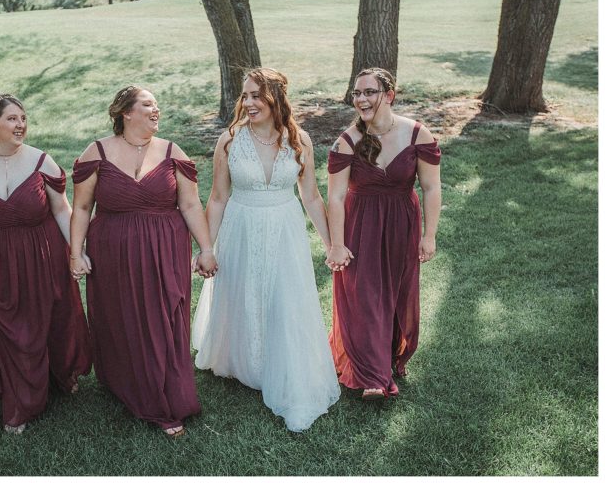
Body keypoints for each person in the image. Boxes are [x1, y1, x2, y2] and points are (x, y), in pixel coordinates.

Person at [192, 68, 340, 431]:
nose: (249, 103)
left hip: (285, 228)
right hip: (241, 225)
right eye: (246, 96)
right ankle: (245, 361)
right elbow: (218, 196)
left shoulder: (298, 139)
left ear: (276, 98)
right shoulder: (229, 140)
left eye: (257, 95)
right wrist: (207, 248)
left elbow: (310, 195)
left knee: (284, 296)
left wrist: (332, 243)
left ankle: (281, 362)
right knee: (243, 292)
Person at [70, 86, 217, 437]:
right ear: (126, 112)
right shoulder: (98, 152)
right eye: (148, 104)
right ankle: (133, 386)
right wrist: (76, 252)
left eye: (156, 104)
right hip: (113, 252)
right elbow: (81, 207)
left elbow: (191, 205)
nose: (156, 110)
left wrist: (206, 247)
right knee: (123, 318)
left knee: (164, 315)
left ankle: (168, 395)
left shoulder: (171, 151)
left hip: (165, 249)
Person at [0, 94, 91, 433]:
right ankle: (21, 402)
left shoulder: (42, 162)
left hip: (44, 255)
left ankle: (61, 374)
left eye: (23, 118)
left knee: (54, 320)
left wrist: (76, 251)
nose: (21, 125)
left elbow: (61, 210)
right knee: (15, 333)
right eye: (12, 119)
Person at [326, 67, 441, 399]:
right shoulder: (347, 141)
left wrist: (428, 235)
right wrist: (337, 244)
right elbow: (334, 196)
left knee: (398, 294)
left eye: (369, 92)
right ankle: (373, 376)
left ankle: (390, 354)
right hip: (360, 224)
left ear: (389, 95)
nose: (361, 99)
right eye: (357, 93)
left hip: (402, 223)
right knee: (364, 296)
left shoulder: (418, 134)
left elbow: (432, 188)